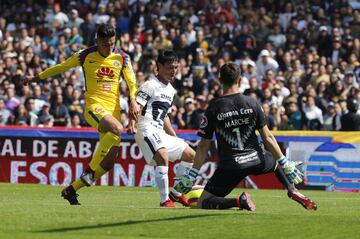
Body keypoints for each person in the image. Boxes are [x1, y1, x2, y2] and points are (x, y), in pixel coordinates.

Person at [175, 62, 317, 211]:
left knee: (203, 203)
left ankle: (238, 201)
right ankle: (292, 189)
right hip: (256, 159)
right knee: (275, 162)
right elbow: (267, 137)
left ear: (219, 79)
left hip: (231, 166)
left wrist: (192, 175)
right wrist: (284, 162)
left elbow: (203, 146)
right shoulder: (252, 102)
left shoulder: (214, 107)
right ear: (240, 79)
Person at [24, 24, 139, 205]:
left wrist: (133, 99)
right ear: (97, 41)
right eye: (105, 44)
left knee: (108, 164)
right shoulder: (85, 55)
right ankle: (89, 169)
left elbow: (132, 82)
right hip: (95, 108)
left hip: (114, 111)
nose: (109, 48)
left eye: (112, 43)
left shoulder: (122, 57)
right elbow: (61, 67)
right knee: (118, 129)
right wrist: (36, 78)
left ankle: (71, 190)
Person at [128, 50, 195, 207]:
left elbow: (165, 117)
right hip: (145, 128)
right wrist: (131, 123)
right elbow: (136, 106)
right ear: (159, 66)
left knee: (191, 155)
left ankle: (176, 194)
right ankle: (165, 200)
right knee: (162, 155)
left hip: (159, 131)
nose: (173, 71)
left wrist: (175, 136)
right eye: (170, 67)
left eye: (176, 67)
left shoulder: (171, 90)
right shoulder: (150, 85)